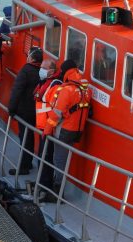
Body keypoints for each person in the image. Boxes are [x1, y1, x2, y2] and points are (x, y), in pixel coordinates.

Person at [43, 59, 92, 191]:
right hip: (77, 131)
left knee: (59, 160)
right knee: (64, 160)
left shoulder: (67, 90)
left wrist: (47, 131)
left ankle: (57, 191)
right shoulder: (86, 90)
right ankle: (58, 186)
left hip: (64, 131)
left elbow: (56, 114)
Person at [8, 47, 43, 175]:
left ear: (32, 58)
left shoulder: (26, 71)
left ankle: (24, 166)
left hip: (24, 110)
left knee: (25, 138)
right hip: (37, 111)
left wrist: (11, 109)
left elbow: (17, 90)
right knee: (31, 137)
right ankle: (29, 162)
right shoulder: (42, 71)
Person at [33, 59, 61, 199]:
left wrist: (48, 128)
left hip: (48, 128)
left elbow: (55, 110)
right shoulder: (45, 82)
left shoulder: (55, 86)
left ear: (51, 70)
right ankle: (42, 184)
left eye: (44, 68)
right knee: (42, 157)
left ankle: (45, 186)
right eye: (41, 67)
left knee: (46, 158)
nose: (41, 70)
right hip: (42, 127)